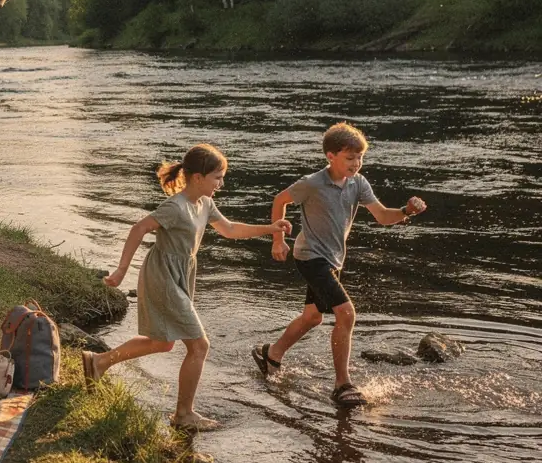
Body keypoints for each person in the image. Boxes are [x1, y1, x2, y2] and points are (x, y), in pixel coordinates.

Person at [82, 144, 292, 432]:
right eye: (217, 177)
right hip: (163, 276)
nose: (222, 183)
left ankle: (99, 362)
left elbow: (230, 229)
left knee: (162, 342)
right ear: (197, 178)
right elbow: (139, 229)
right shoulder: (175, 206)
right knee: (199, 345)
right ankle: (183, 414)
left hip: (181, 274)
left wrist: (272, 228)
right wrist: (121, 270)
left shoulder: (204, 204)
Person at [252, 122, 427, 407]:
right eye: (350, 158)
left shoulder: (359, 183)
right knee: (346, 314)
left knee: (312, 317)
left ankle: (271, 354)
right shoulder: (312, 183)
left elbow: (382, 216)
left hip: (333, 260)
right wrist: (276, 239)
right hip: (310, 257)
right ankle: (342, 384)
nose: (356, 164)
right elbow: (280, 200)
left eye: (360, 158)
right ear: (331, 156)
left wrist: (407, 211)